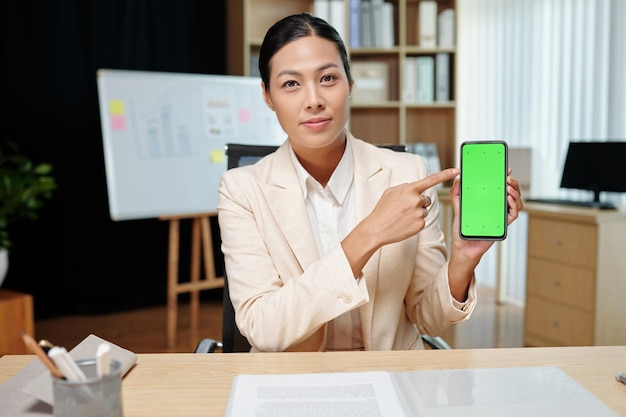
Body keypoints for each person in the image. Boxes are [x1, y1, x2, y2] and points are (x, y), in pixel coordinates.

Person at [217, 12, 523, 352]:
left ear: (350, 84)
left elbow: (428, 318)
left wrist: (463, 259)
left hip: (390, 381)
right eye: (291, 84)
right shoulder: (241, 189)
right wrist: (370, 233)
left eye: (328, 78)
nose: (314, 99)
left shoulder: (407, 174)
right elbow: (263, 328)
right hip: (293, 388)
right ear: (267, 96)